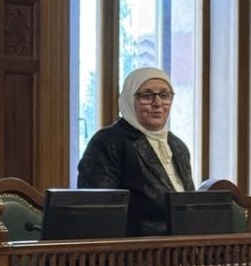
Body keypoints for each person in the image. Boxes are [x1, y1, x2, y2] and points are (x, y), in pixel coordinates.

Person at [77, 66, 195, 236]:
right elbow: (98, 215)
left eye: (164, 95)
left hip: (182, 250)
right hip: (133, 252)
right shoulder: (109, 142)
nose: (157, 103)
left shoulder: (178, 146)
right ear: (128, 100)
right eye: (146, 96)